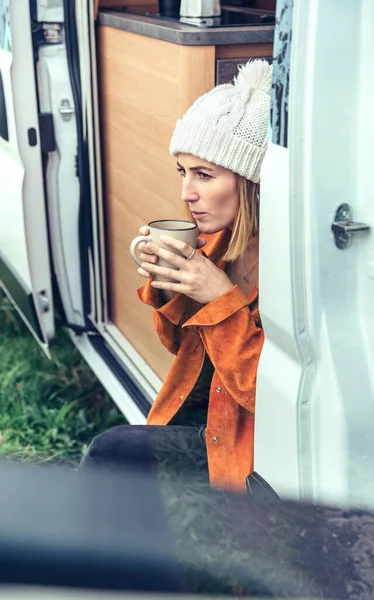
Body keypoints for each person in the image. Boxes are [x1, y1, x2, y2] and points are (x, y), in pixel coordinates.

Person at [81, 59, 272, 492]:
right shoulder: (219, 247)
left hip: (246, 450)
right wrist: (169, 287)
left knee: (109, 452)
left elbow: (270, 396)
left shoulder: (293, 270)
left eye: (204, 174)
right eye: (183, 172)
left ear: (252, 182)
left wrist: (221, 300)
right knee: (108, 454)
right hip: (202, 419)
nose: (187, 193)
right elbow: (175, 345)